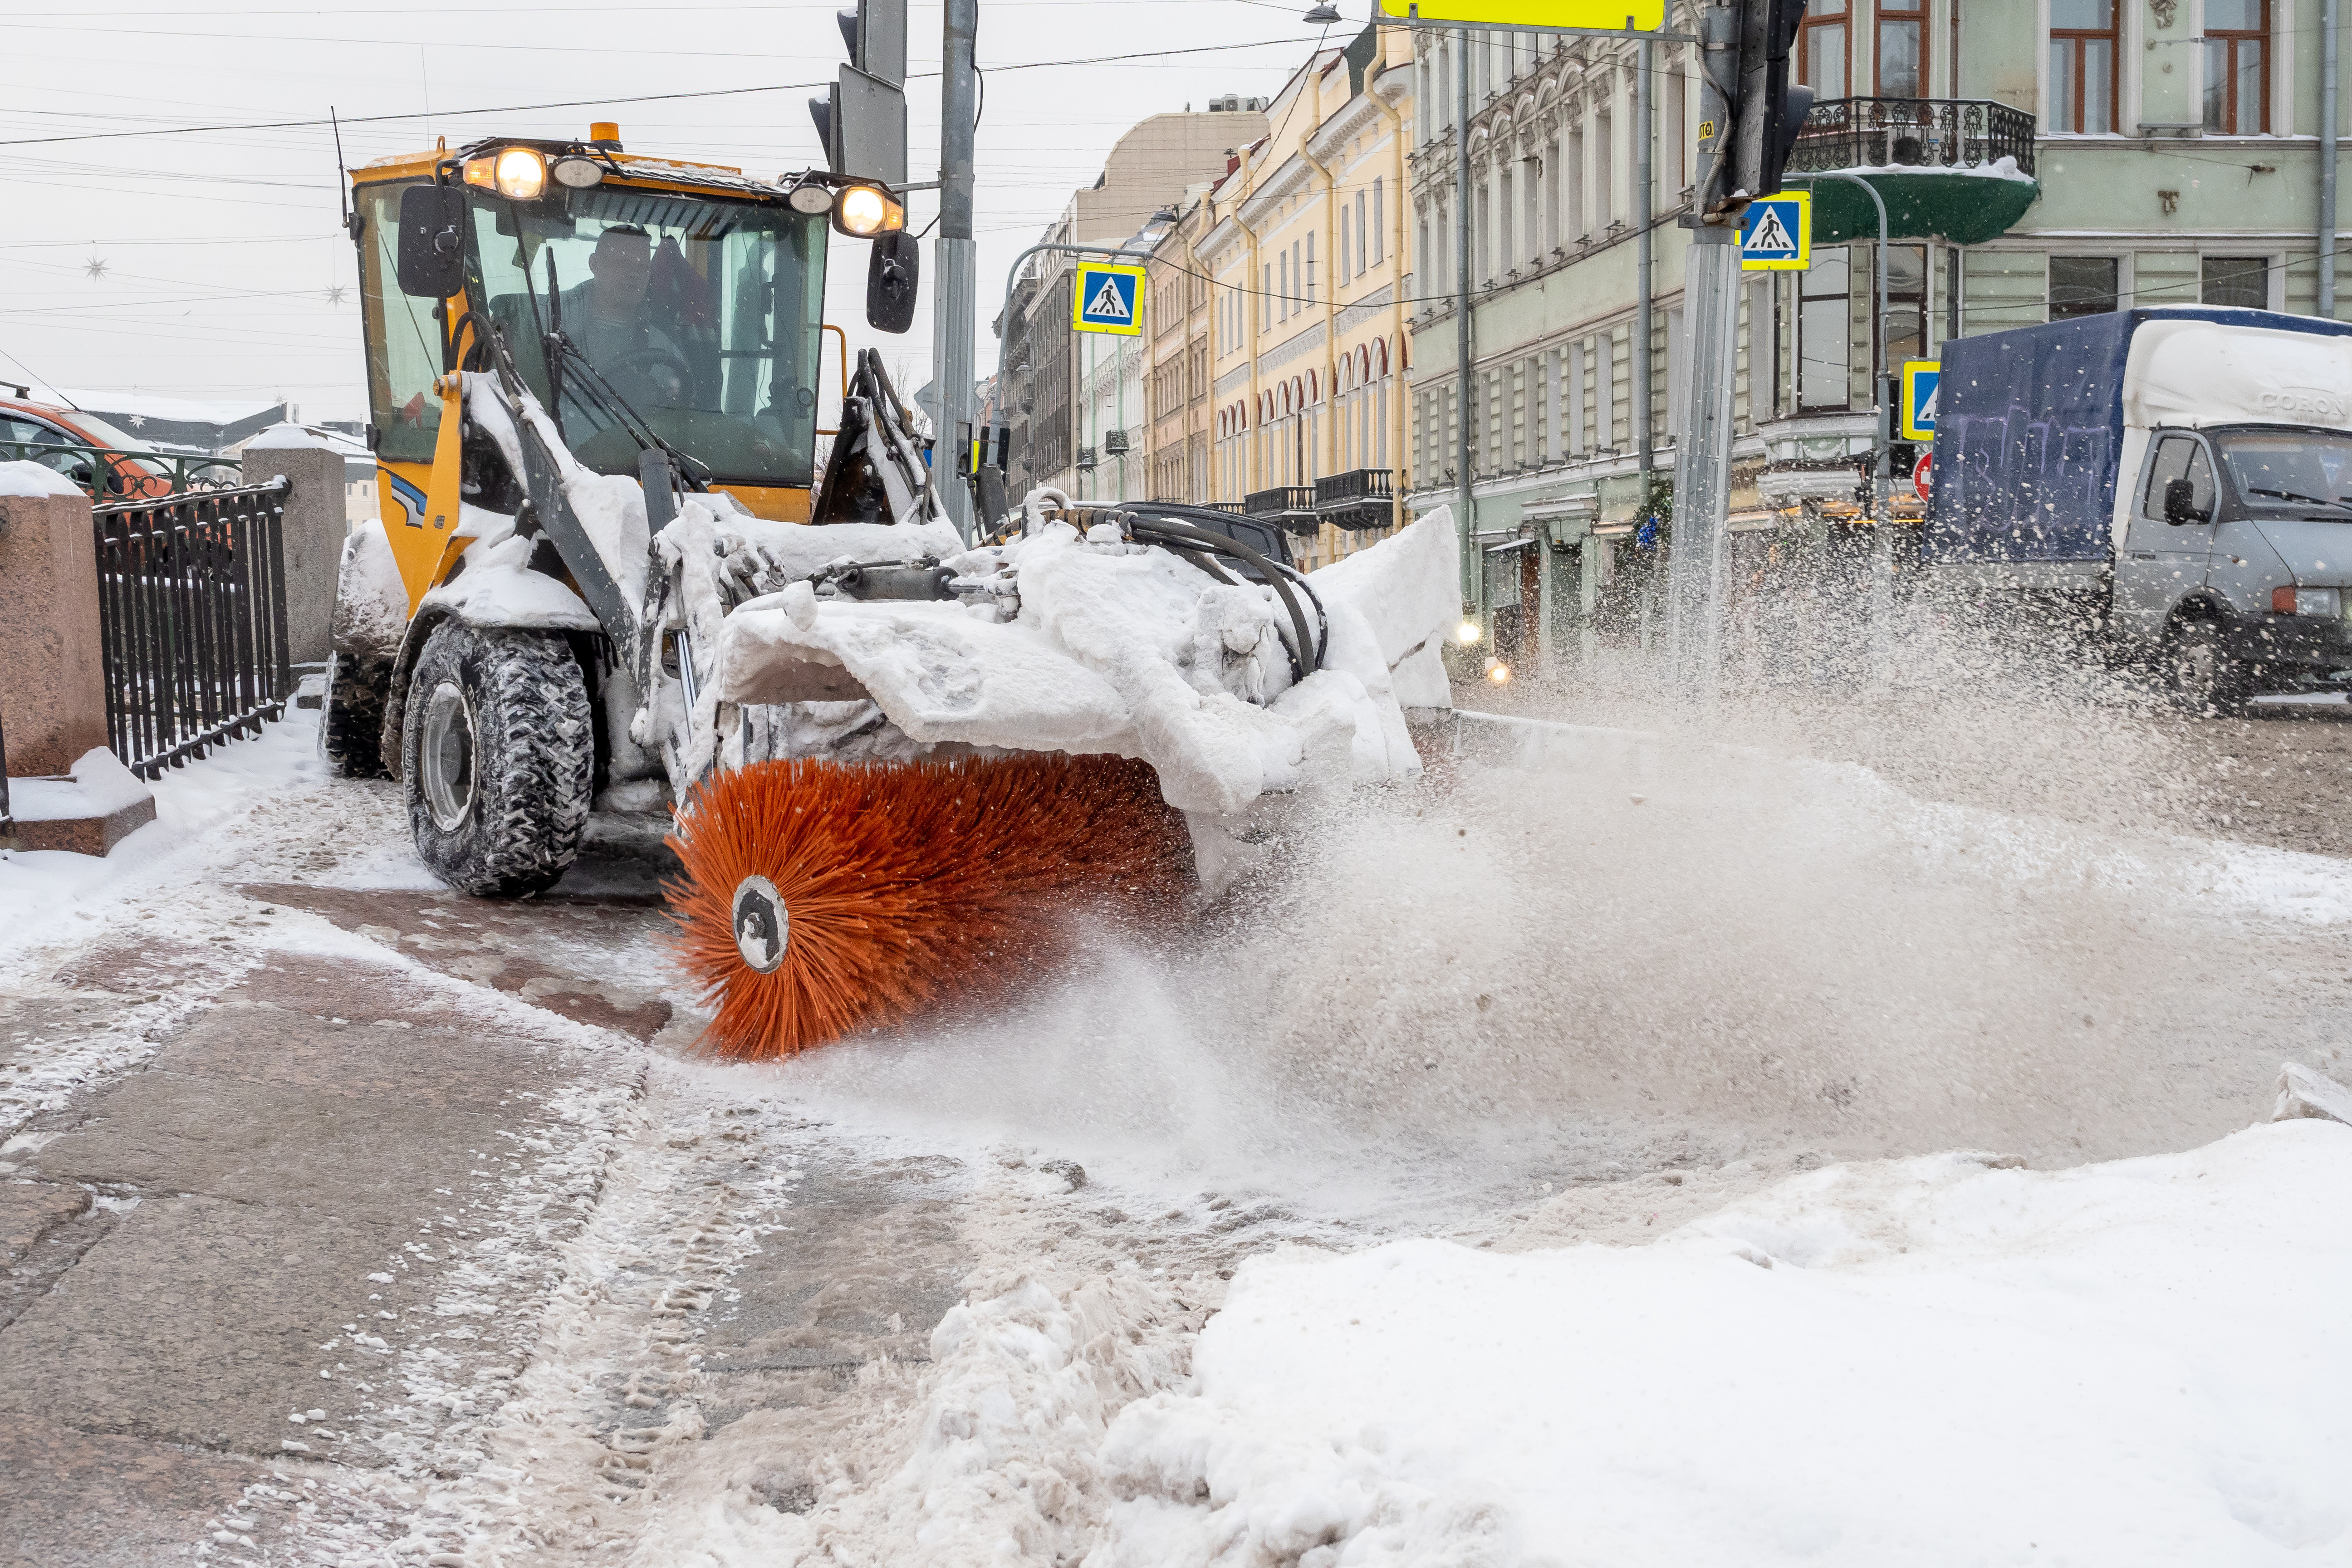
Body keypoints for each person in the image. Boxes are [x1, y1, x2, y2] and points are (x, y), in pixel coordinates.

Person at [556, 225, 690, 416]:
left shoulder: (662, 348)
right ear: (595, 265)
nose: (635, 274)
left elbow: (679, 417)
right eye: (623, 264)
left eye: (643, 267)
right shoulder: (551, 323)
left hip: (637, 445)